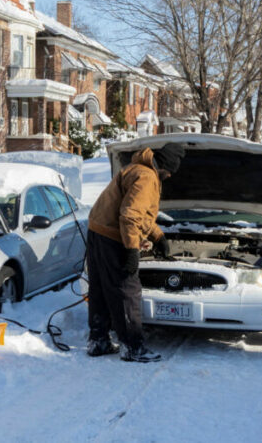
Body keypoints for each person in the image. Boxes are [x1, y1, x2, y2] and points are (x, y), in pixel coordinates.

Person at [85, 143, 185, 362]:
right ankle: (132, 346)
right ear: (165, 167)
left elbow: (140, 216)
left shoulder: (136, 168)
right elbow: (130, 216)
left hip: (97, 232)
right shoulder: (147, 177)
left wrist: (157, 237)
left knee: (100, 288)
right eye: (169, 173)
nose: (168, 177)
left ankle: (98, 340)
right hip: (113, 237)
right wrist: (132, 250)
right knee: (127, 290)